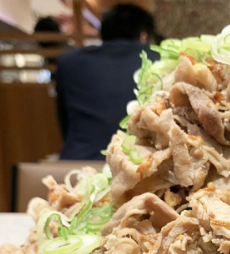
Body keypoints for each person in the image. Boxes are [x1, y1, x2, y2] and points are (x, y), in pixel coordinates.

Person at [55, 4, 158, 160]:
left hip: (80, 161)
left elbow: (65, 123)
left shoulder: (69, 62)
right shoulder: (158, 59)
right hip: (140, 164)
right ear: (144, 35)